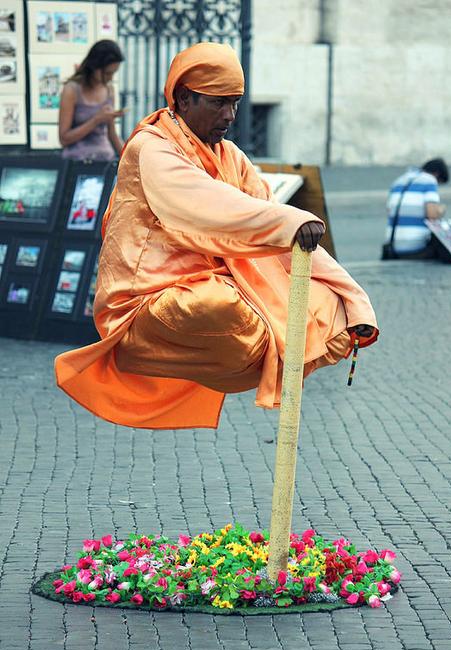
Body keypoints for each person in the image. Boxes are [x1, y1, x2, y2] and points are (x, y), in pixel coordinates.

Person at [55, 42, 378, 431]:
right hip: (146, 301)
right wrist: (288, 220)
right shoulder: (150, 147)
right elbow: (209, 204)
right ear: (184, 99)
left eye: (236, 103)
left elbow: (289, 240)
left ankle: (274, 352)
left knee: (329, 305)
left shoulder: (232, 157)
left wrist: (355, 300)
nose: (230, 115)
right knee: (213, 304)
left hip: (224, 286)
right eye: (218, 103)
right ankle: (269, 349)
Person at [59, 40, 126, 161]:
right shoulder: (72, 89)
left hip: (104, 159)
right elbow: (64, 139)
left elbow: (112, 135)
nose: (110, 78)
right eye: (107, 73)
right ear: (94, 66)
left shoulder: (109, 89)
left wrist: (131, 160)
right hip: (77, 161)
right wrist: (96, 120)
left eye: (113, 73)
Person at [383, 158, 451, 260]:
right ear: (437, 174)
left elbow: (389, 211)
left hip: (392, 249)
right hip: (415, 249)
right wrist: (441, 209)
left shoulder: (399, 181)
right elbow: (432, 214)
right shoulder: (430, 180)